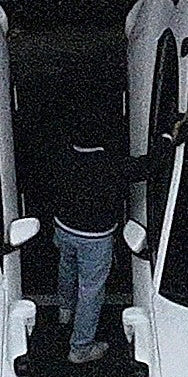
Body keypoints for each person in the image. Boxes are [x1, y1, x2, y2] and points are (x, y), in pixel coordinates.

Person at [42, 129, 132, 363]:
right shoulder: (110, 164)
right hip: (95, 237)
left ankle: (65, 310)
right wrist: (167, 138)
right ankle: (80, 348)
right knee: (91, 291)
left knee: (67, 268)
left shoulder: (62, 157)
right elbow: (148, 166)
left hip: (64, 227)